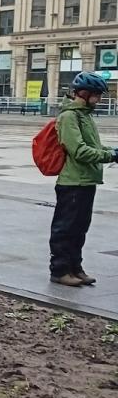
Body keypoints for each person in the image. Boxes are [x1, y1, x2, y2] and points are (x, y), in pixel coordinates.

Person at [48, 73, 118, 287]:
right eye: (97, 95)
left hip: (86, 180)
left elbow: (94, 147)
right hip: (72, 182)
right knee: (65, 228)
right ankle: (60, 270)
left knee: (80, 228)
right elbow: (78, 150)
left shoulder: (85, 115)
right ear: (84, 93)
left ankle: (75, 267)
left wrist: (112, 150)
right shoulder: (69, 116)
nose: (99, 99)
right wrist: (111, 155)